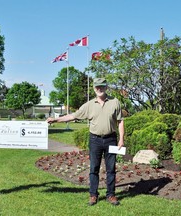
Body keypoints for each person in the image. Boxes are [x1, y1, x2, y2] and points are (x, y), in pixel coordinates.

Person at [47, 78, 124, 206]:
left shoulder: (114, 102)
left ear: (106, 87)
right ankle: (93, 195)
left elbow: (120, 121)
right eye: (97, 87)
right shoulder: (89, 105)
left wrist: (121, 139)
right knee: (94, 168)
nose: (99, 89)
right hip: (95, 140)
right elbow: (73, 116)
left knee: (111, 169)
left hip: (111, 139)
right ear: (94, 88)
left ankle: (111, 195)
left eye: (102, 86)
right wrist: (55, 120)